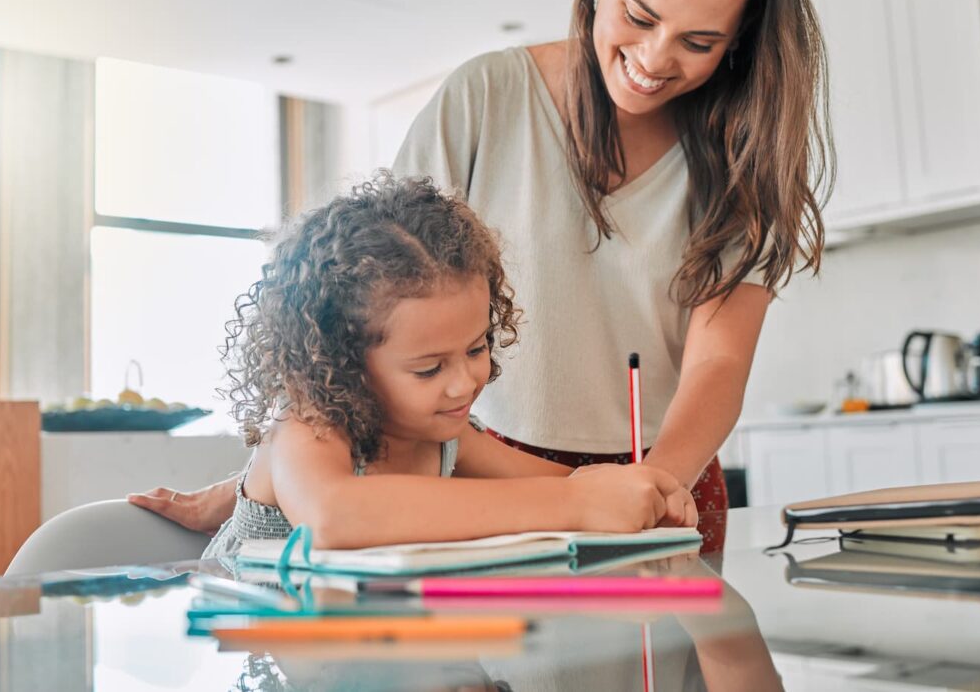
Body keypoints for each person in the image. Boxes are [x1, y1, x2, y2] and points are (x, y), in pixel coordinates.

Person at [133, 0, 830, 552]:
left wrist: (652, 486)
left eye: (699, 42)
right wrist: (256, 478)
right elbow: (353, 295)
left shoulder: (742, 154)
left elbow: (719, 364)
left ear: (737, 39)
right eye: (639, 16)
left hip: (659, 472)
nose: (653, 58)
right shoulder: (486, 97)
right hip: (475, 455)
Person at [200, 174, 696, 558]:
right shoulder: (308, 427)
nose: (465, 384)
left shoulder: (449, 440)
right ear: (341, 363)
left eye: (477, 349)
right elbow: (331, 516)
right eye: (428, 369)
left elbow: (568, 485)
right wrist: (577, 506)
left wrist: (642, 491)